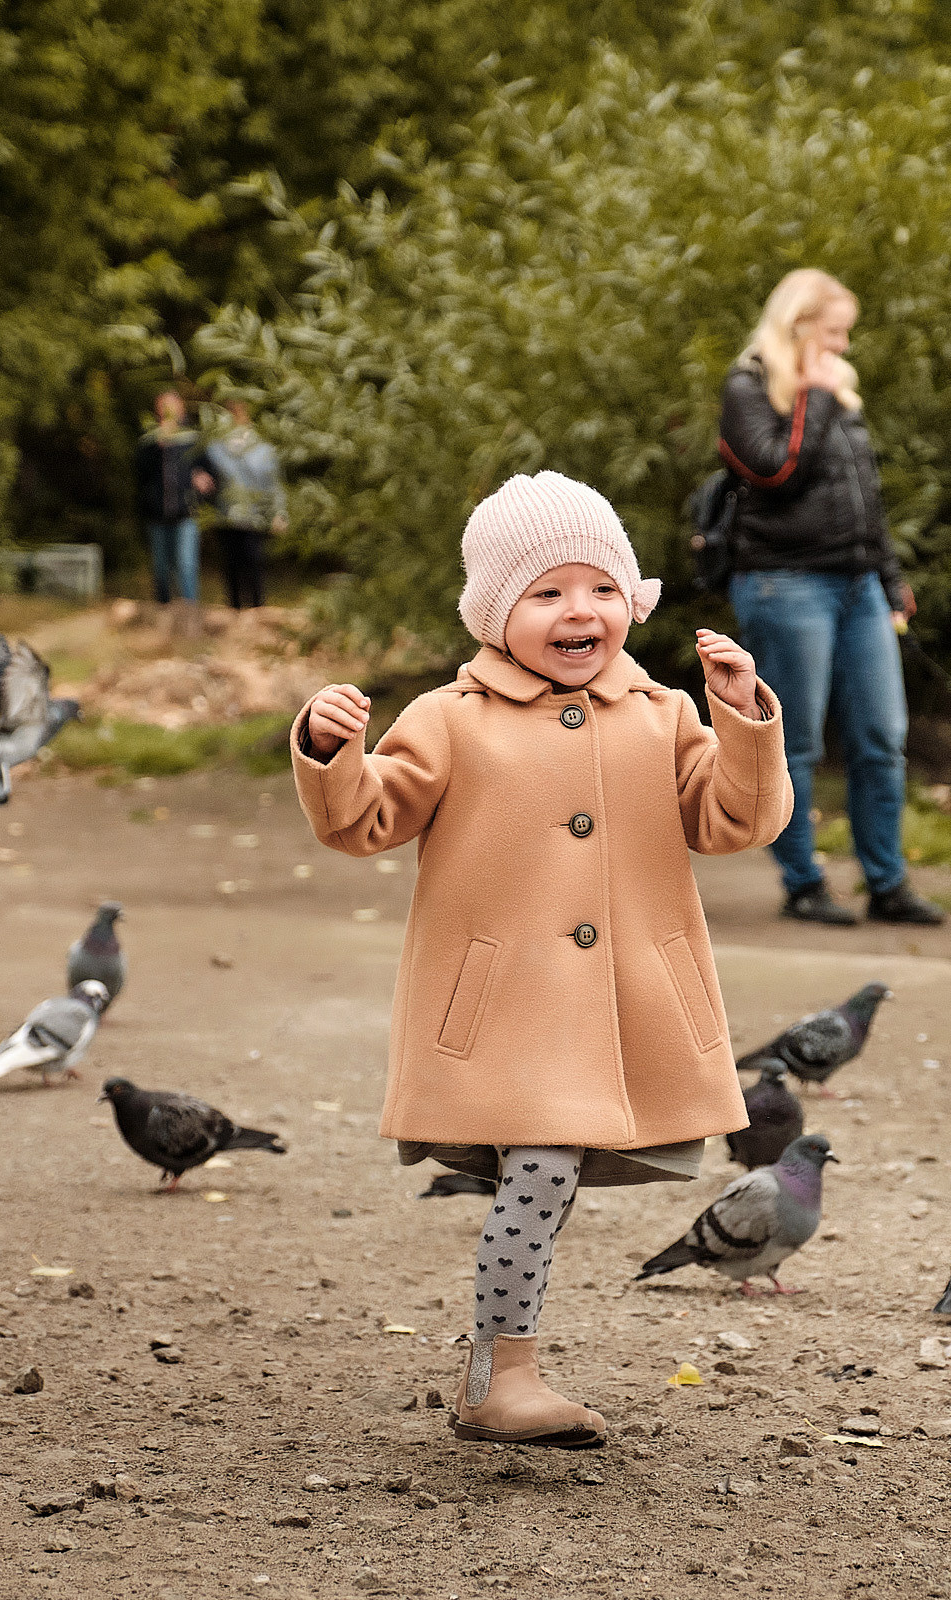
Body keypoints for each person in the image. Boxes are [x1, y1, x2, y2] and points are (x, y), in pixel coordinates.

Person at [290, 471, 791, 1448]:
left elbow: (736, 819)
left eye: (603, 588)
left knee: (546, 1177)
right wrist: (327, 750)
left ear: (631, 601)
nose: (581, 611)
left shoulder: (660, 712)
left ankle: (496, 1370)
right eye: (548, 591)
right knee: (544, 1168)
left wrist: (741, 718)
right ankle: (500, 1374)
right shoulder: (451, 717)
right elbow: (364, 819)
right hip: (505, 1009)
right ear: (495, 613)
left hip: (622, 1006)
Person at [717, 268, 943, 926]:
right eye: (835, 332)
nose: (844, 347)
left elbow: (862, 496)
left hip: (858, 584)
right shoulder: (749, 386)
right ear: (799, 327)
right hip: (786, 584)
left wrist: (889, 576)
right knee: (796, 742)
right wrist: (813, 398)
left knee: (881, 737)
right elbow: (773, 471)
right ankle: (802, 881)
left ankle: (887, 882)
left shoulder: (838, 391)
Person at [204, 400, 288, 610]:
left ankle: (257, 610)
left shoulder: (262, 449)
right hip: (226, 516)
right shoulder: (215, 449)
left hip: (254, 517)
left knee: (254, 563)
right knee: (231, 566)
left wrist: (280, 513)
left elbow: (273, 484)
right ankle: (235, 612)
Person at [134, 390, 210, 610]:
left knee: (186, 566)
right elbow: (140, 474)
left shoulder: (192, 439)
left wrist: (202, 481)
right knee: (161, 569)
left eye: (171, 405)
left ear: (181, 409)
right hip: (157, 515)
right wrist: (158, 447)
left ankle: (188, 613)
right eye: (163, 405)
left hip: (186, 513)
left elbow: (207, 470)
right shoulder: (149, 441)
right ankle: (163, 612)